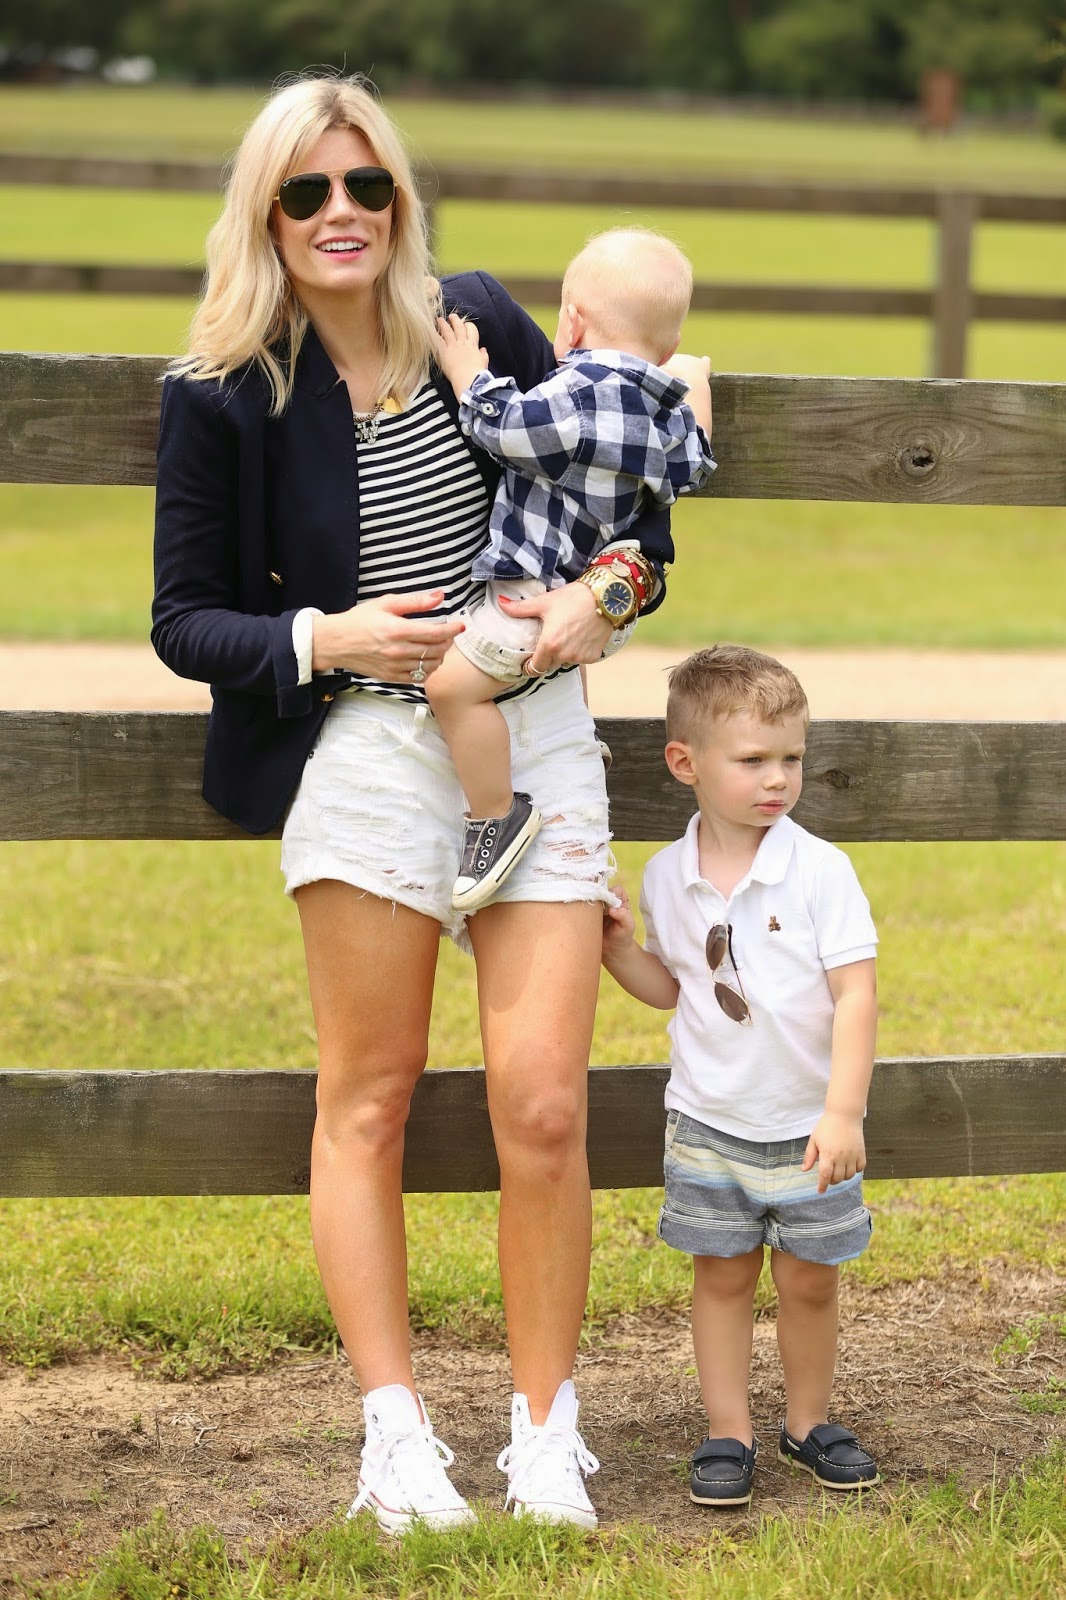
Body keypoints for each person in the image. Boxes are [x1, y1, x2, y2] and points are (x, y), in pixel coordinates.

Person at [151, 71, 683, 1534]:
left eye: (365, 183)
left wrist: (603, 599)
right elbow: (185, 619)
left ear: (397, 195)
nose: (342, 212)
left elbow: (639, 515)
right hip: (366, 747)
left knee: (543, 1103)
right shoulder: (223, 392)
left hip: (535, 730)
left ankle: (544, 1433)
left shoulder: (482, 321)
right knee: (369, 1097)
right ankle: (394, 1438)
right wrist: (326, 636)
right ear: (266, 212)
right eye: (307, 190)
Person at [601, 645, 880, 1508]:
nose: (778, 779)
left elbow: (857, 995)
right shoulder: (667, 876)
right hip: (709, 1122)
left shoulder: (820, 870)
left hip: (807, 1127)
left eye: (791, 757)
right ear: (685, 763)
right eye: (754, 759)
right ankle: (729, 1431)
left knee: (809, 1279)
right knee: (721, 1276)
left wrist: (843, 1112)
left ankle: (807, 1422)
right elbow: (673, 987)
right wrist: (618, 950)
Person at [426, 229, 714, 913]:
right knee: (552, 668)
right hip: (601, 611)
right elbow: (697, 463)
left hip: (532, 602)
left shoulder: (575, 394)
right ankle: (579, 739)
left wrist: (465, 371)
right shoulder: (666, 412)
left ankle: (496, 815)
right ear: (669, 345)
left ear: (572, 321)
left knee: (450, 690)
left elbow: (504, 427)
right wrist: (696, 382)